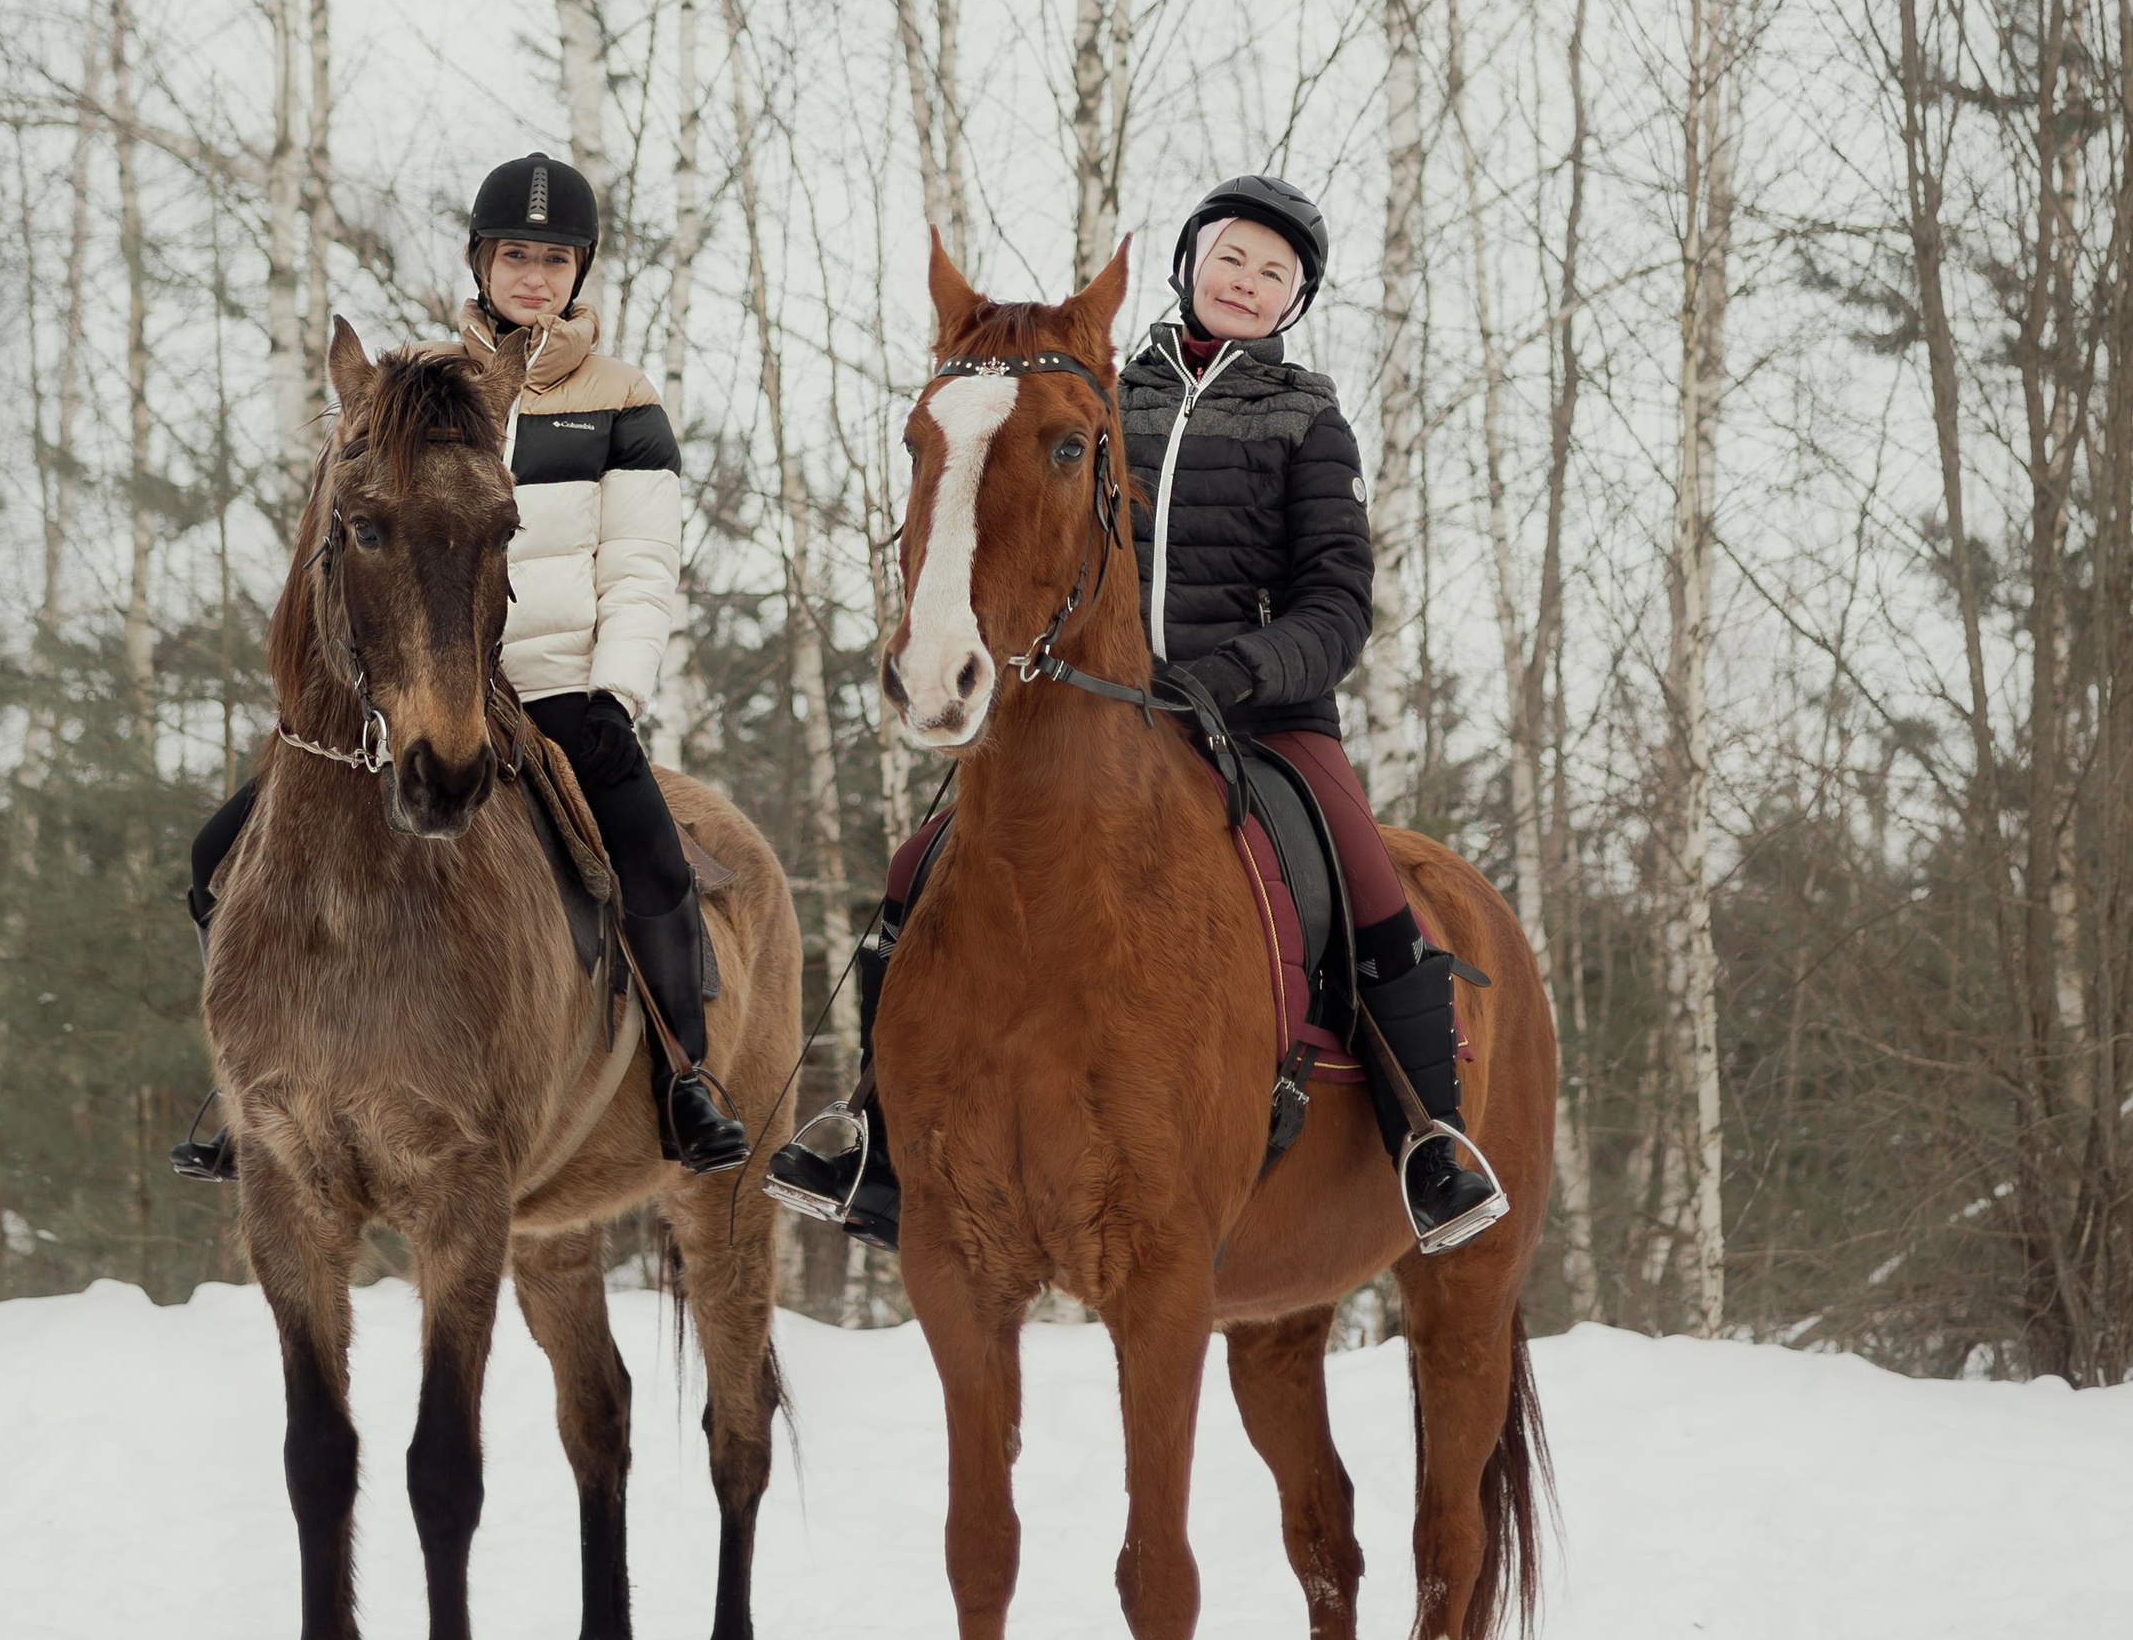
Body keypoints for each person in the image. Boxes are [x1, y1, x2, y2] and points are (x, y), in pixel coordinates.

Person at [769, 175, 1505, 1254]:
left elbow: (1340, 599)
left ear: (1294, 299)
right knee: (918, 869)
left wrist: (1244, 671)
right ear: (1189, 264)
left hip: (1264, 718)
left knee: (1369, 883)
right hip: (1099, 718)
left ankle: (1427, 1141)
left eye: (1274, 273)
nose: (1247, 283)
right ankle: (871, 1137)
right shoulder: (1100, 391)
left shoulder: (1306, 415)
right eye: (1231, 259)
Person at [179, 149, 745, 1180]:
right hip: (418, 686)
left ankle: (683, 1080)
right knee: (219, 854)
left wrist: (613, 687)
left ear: (582, 271)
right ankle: (255, 1085)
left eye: (556, 258)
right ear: (481, 260)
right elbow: (350, 536)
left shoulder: (623, 399)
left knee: (653, 860)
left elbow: (642, 560)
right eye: (515, 254)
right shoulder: (416, 390)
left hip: (562, 687)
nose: (534, 276)